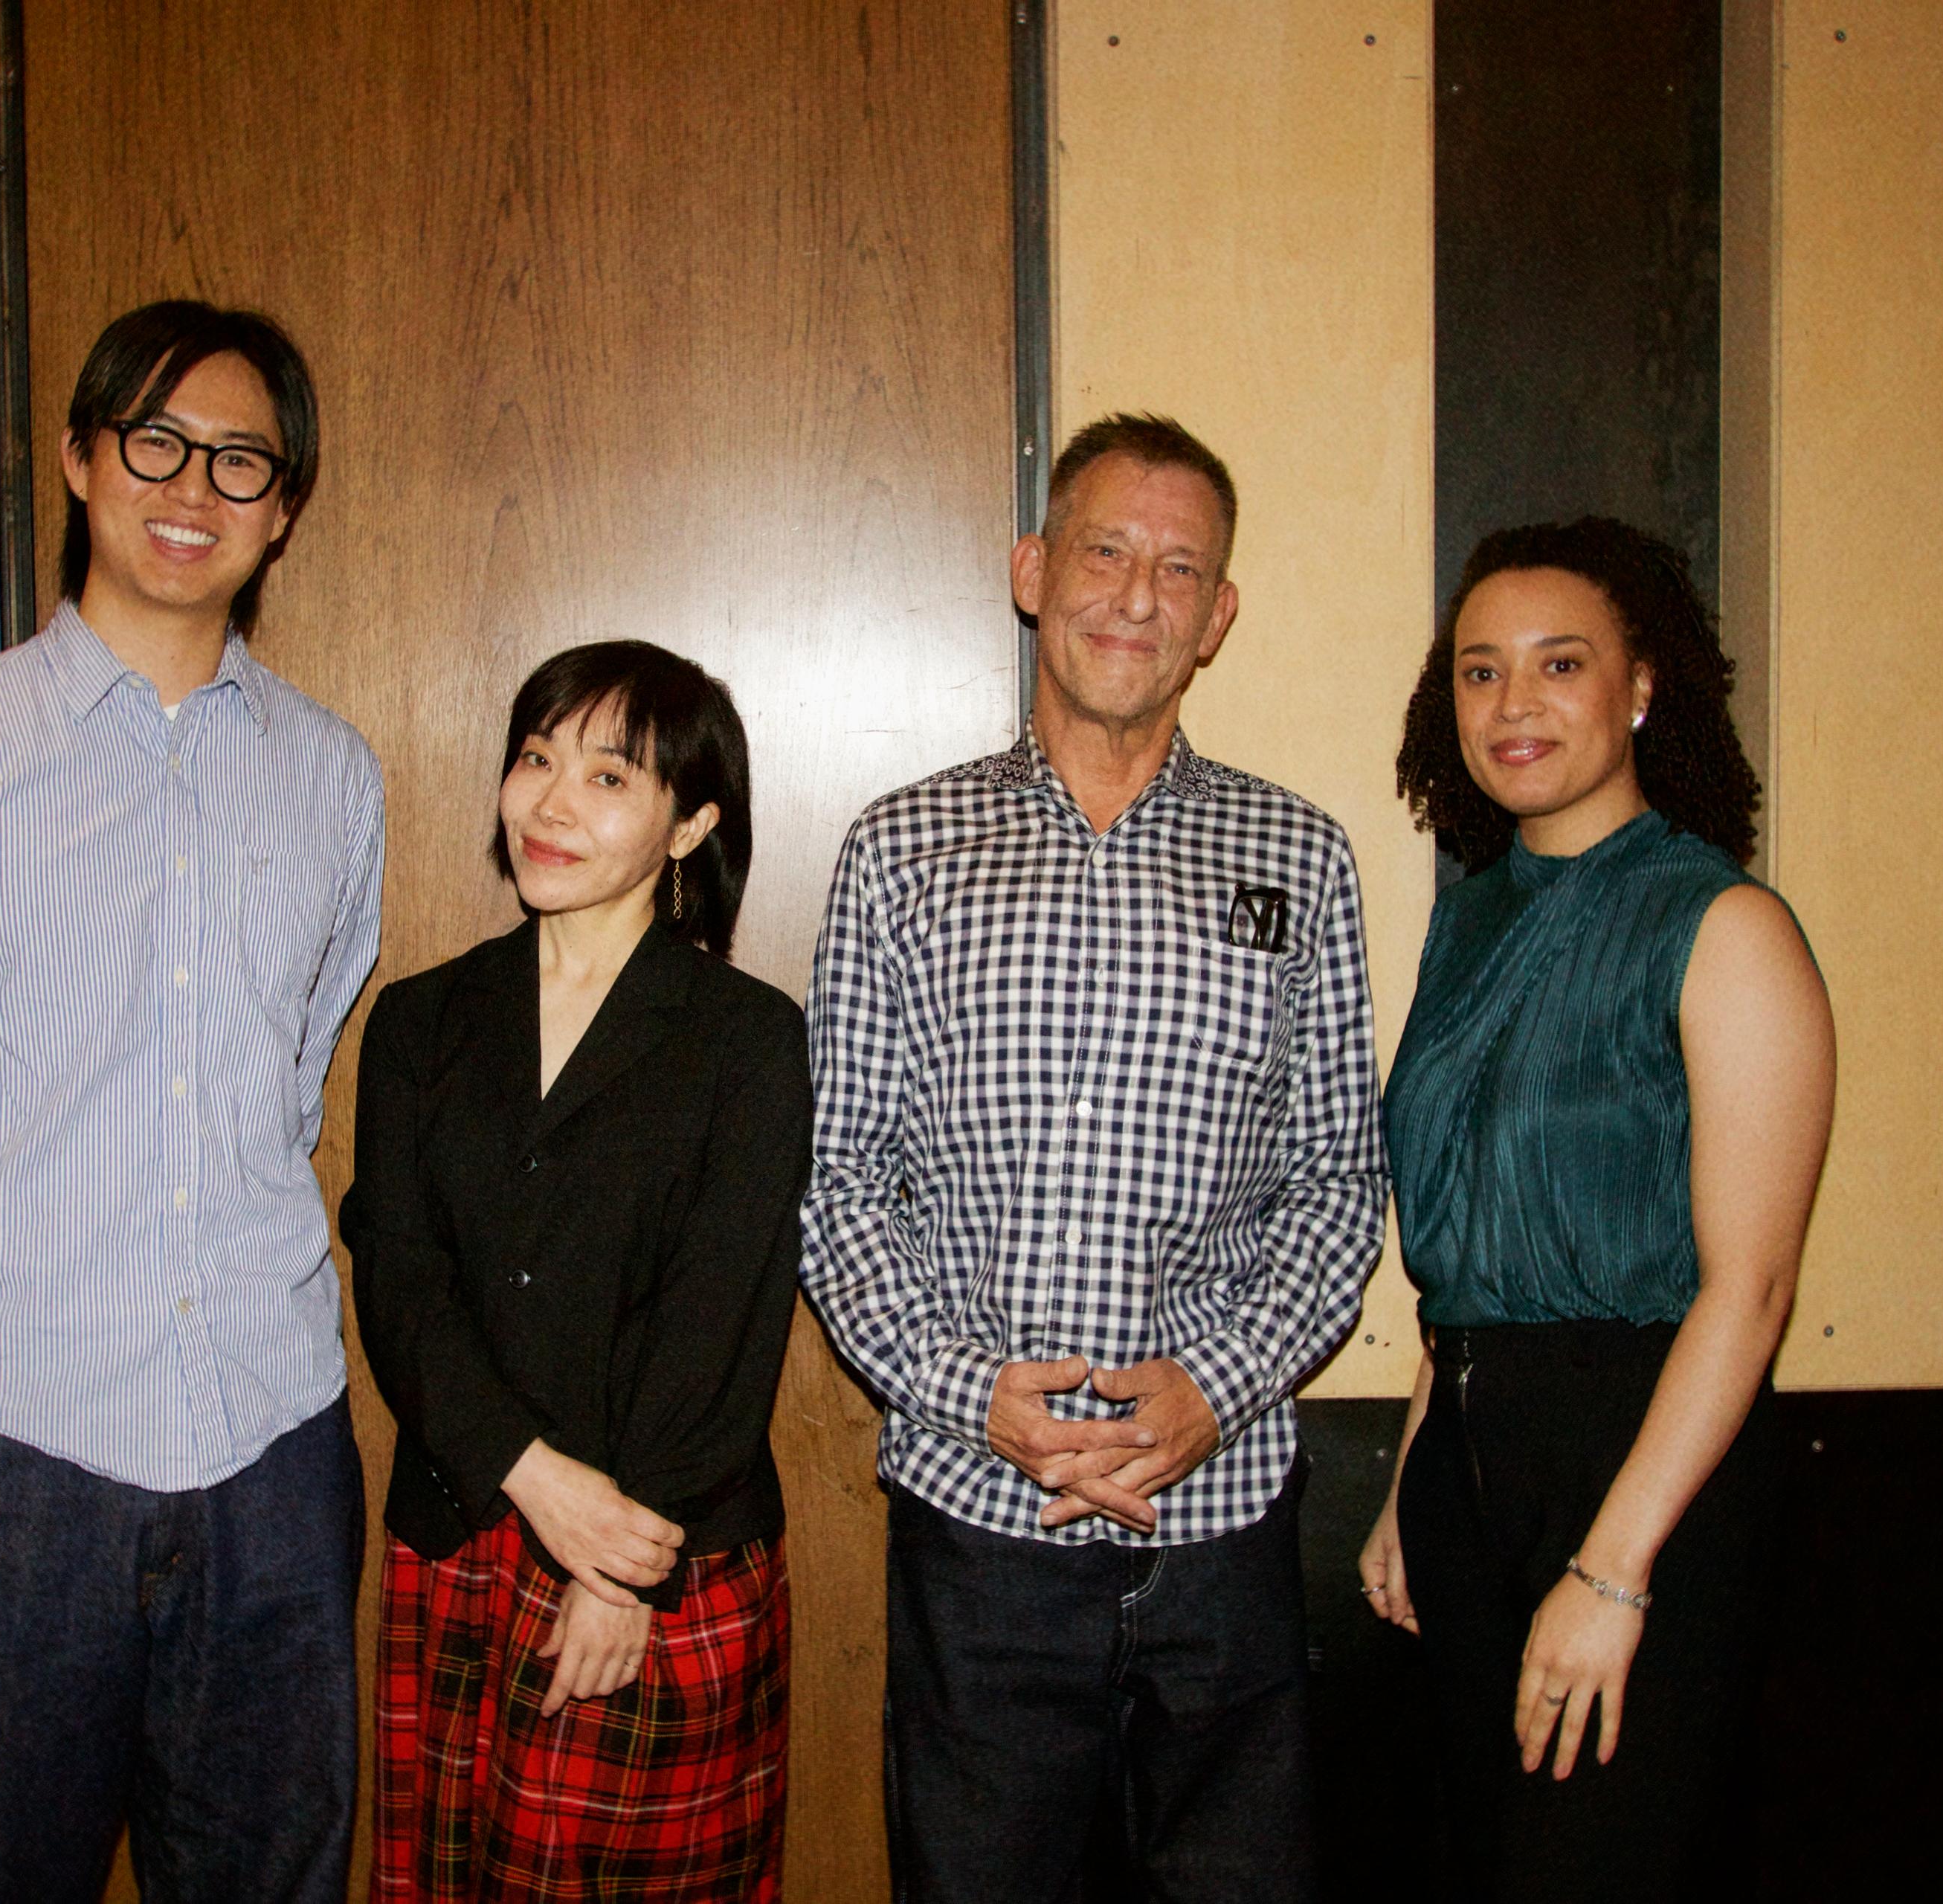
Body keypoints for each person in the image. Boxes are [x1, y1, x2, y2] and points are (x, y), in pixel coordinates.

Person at [0, 300, 384, 1903]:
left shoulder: (332, 774)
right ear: (81, 458)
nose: (194, 485)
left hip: (271, 1442)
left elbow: (292, 1067)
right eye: (156, 440)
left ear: (286, 503)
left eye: (241, 459)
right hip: (0, 1460)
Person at [800, 414, 1390, 1902]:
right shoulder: (902, 849)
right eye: (1104, 551)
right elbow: (842, 1174)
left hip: (1224, 1518)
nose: (1135, 595)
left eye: (1178, 567)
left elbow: (1335, 1176)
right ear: (1031, 569)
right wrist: (965, 1389)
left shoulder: (1299, 857)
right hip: (979, 1523)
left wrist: (1217, 1384)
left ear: (1219, 616)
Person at [1358, 518, 1835, 1901]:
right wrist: (1411, 1475)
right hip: (1465, 1460)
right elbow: (1466, 1251)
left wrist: (1615, 1570)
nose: (1514, 705)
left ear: (1639, 685)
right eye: (1479, 671)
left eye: (1560, 665)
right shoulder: (1468, 920)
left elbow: (1748, 1292)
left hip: (1644, 1468)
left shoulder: (1723, 925)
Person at [340, 640, 808, 1903]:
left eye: (610, 777)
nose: (552, 802)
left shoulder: (747, 1040)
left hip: (664, 1555)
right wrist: (531, 1476)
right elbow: (395, 1271)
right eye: (537, 759)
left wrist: (615, 1565)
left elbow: (728, 1318)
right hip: (465, 1531)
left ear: (689, 822)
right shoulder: (424, 1021)